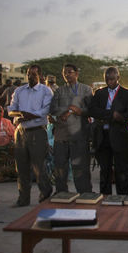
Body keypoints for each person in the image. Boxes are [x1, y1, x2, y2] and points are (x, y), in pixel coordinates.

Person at [7, 65, 53, 207]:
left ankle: (45, 195)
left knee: (39, 167)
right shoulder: (20, 90)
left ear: (40, 75)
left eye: (33, 75)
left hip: (37, 131)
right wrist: (20, 115)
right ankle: (23, 198)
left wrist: (28, 116)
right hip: (21, 132)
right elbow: (11, 110)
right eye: (28, 75)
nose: (30, 77)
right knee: (21, 168)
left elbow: (45, 111)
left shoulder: (46, 91)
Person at [89, 66, 128, 195]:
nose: (109, 81)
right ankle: (104, 198)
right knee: (104, 171)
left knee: (122, 171)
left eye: (112, 79)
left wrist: (121, 117)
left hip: (120, 137)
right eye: (107, 79)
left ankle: (123, 197)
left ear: (118, 78)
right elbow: (93, 110)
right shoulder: (99, 93)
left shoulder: (127, 94)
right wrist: (111, 114)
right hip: (102, 137)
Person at [49, 63, 93, 194]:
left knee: (81, 168)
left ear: (76, 73)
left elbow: (91, 110)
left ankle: (85, 194)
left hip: (79, 135)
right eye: (64, 72)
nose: (67, 75)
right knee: (60, 167)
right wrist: (70, 109)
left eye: (69, 72)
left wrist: (79, 111)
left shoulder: (86, 90)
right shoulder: (59, 91)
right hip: (61, 135)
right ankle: (62, 194)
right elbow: (53, 109)